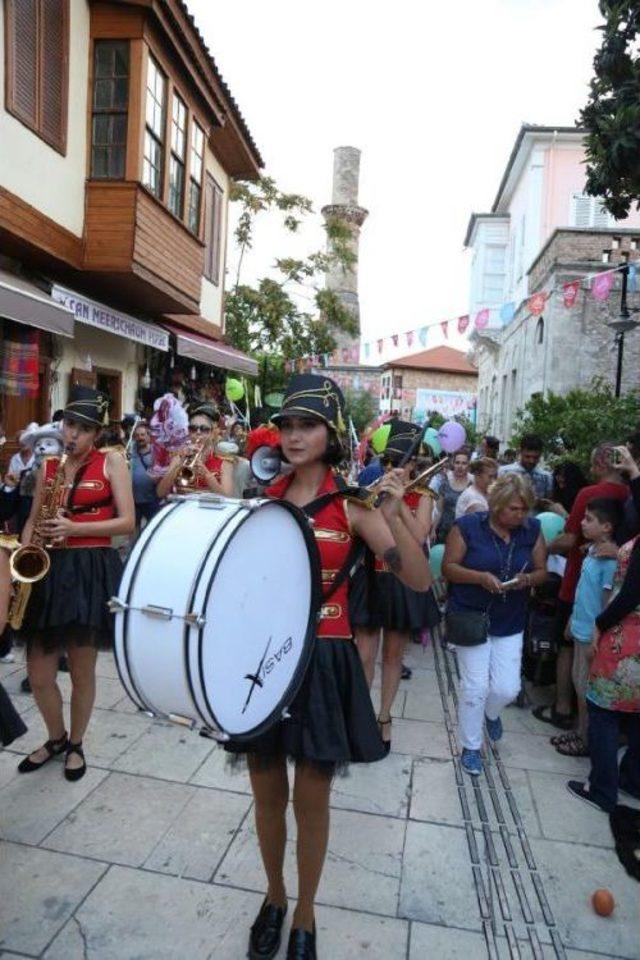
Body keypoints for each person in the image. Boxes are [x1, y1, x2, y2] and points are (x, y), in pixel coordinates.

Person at [226, 375, 431, 960]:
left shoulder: (354, 506)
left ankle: (306, 914)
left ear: (331, 434)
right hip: (264, 661)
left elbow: (419, 581)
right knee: (267, 793)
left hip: (324, 660)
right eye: (287, 426)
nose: (293, 436)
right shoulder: (261, 500)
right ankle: (274, 897)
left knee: (311, 799)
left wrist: (396, 514)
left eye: (307, 425)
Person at [17, 387, 134, 781]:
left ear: (97, 433)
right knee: (39, 676)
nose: (73, 434)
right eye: (69, 425)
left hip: (89, 569)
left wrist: (74, 528)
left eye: (83, 429)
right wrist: (26, 554)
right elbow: (34, 518)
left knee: (82, 671)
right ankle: (56, 737)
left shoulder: (112, 461)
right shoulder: (49, 466)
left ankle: (76, 744)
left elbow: (126, 523)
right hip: (49, 569)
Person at [443, 473, 547, 776]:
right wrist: (479, 577)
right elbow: (448, 568)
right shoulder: (467, 527)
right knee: (475, 686)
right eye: (514, 508)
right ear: (497, 504)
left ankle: (491, 713)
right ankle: (471, 747)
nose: (520, 515)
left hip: (510, 618)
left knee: (507, 688)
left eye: (524, 508)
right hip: (471, 616)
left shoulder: (532, 529)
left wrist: (528, 579)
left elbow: (543, 571)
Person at [355, 420, 440, 751]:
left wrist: (399, 501)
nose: (393, 468)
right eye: (388, 462)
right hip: (370, 578)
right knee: (363, 654)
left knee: (392, 656)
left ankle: (384, 717)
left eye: (401, 463)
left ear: (413, 466)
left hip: (402, 582)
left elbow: (419, 537)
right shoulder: (369, 490)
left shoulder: (424, 496)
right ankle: (361, 717)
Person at [535, 444, 629, 731]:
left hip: (578, 580)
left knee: (568, 649)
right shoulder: (630, 495)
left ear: (601, 464)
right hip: (616, 586)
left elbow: (570, 538)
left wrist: (540, 550)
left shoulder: (589, 494)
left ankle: (563, 707)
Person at [567, 529, 640, 813]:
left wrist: (600, 622)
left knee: (602, 710)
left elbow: (630, 594)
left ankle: (602, 790)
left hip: (628, 637)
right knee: (636, 713)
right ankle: (632, 780)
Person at [554, 499, 621, 758]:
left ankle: (586, 739)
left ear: (607, 527)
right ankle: (581, 730)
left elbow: (605, 603)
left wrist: (597, 635)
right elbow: (583, 592)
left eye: (589, 519)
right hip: (580, 629)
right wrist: (572, 619)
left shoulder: (609, 562)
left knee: (586, 689)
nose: (582, 523)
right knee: (578, 683)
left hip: (591, 637)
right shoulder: (591, 552)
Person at [156, 403, 234, 499]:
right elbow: (160, 493)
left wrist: (206, 474)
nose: (198, 432)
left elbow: (228, 498)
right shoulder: (178, 457)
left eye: (204, 429)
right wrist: (178, 465)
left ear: (213, 433)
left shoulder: (225, 462)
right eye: (193, 428)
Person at [431, 449, 471, 542]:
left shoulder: (471, 486)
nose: (460, 466)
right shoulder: (445, 483)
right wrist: (433, 529)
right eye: (457, 462)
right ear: (453, 464)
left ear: (468, 465)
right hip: (443, 532)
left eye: (464, 463)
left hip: (463, 535)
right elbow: (439, 510)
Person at [499, 434, 553, 502]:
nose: (531, 461)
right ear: (520, 452)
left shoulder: (546, 477)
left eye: (535, 457)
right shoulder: (504, 472)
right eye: (527, 457)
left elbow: (548, 502)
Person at [129, 420, 160, 529]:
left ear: (148, 436)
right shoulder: (130, 452)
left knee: (152, 527)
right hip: (134, 500)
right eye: (137, 435)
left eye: (142, 435)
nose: (140, 437)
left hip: (151, 500)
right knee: (133, 528)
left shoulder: (156, 452)